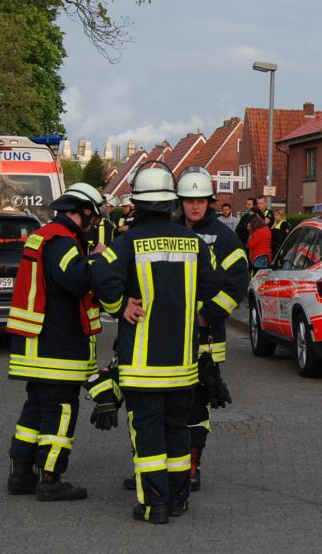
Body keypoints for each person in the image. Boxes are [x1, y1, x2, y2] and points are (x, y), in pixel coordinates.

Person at [91, 166, 220, 524]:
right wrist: (192, 307)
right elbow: (215, 284)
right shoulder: (194, 243)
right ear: (171, 202)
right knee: (177, 431)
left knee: (148, 436)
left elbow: (100, 272)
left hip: (141, 366)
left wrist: (119, 305)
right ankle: (178, 500)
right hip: (182, 365)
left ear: (137, 204)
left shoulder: (127, 242)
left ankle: (154, 505)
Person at [6, 182, 105, 501]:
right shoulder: (62, 240)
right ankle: (50, 479)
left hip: (35, 342)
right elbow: (74, 279)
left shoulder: (44, 234)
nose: (94, 225)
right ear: (85, 212)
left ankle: (21, 475)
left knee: (35, 409)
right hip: (56, 343)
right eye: (94, 218)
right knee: (61, 409)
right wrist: (97, 260)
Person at [174, 167, 246, 490]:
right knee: (165, 405)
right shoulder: (170, 231)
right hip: (167, 338)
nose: (194, 206)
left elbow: (237, 282)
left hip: (204, 340)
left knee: (195, 407)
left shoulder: (224, 238)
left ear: (209, 202)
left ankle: (191, 467)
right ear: (180, 202)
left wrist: (209, 314)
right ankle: (158, 469)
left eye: (200, 200)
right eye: (189, 200)